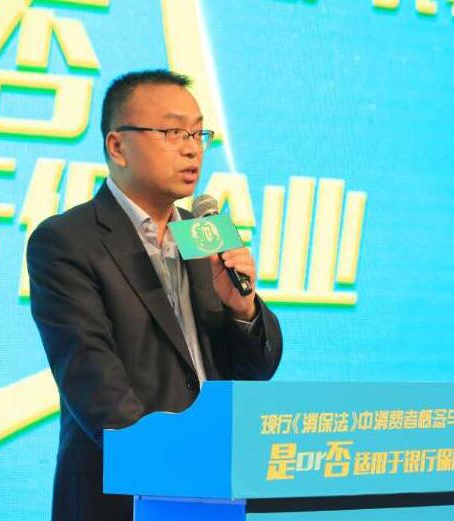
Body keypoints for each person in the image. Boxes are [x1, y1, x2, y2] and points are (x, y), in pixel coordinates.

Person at [27, 69, 283, 521]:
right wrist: (177, 465)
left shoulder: (203, 232)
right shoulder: (68, 241)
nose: (192, 148)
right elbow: (93, 383)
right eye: (172, 132)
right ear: (117, 146)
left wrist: (243, 310)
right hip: (123, 495)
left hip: (215, 492)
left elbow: (255, 369)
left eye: (198, 133)